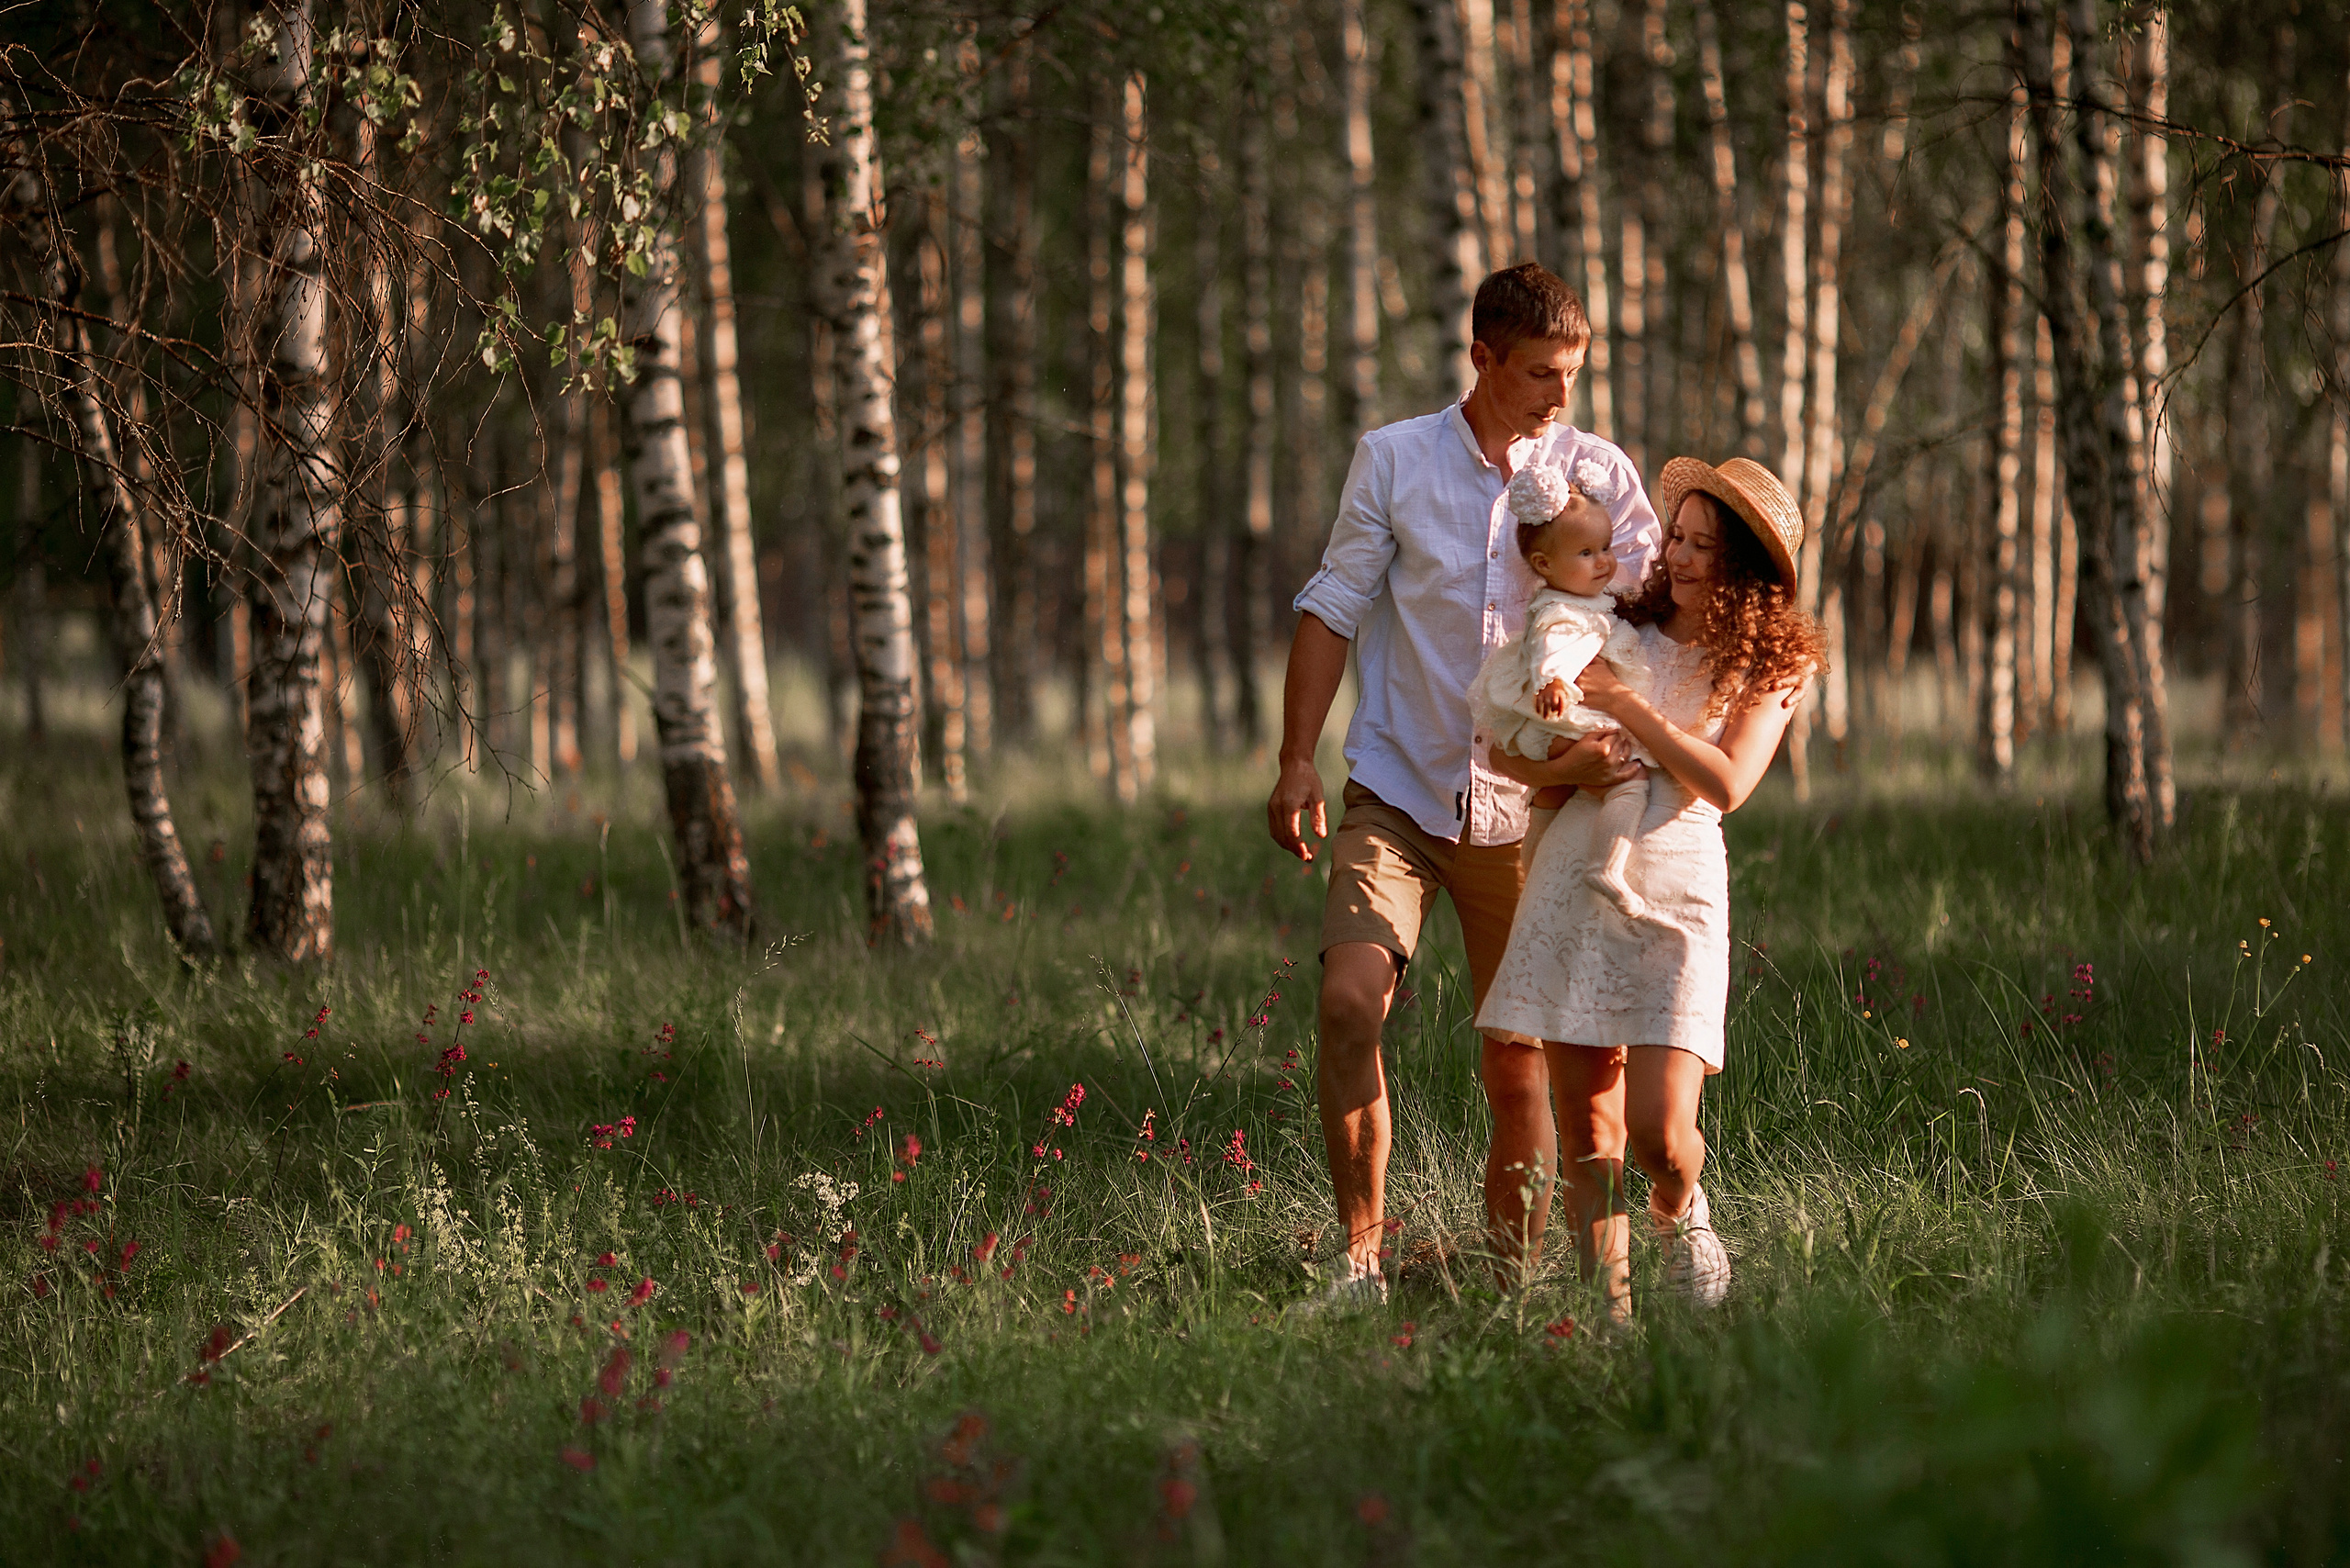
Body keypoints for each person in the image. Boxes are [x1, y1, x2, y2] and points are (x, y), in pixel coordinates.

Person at [1269, 263, 1661, 1303]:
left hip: (1535, 811)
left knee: (1518, 1068)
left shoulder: (1599, 476)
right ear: (1481, 357)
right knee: (1351, 1002)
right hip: (1398, 791)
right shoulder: (1393, 461)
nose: (1559, 397)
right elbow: (1333, 606)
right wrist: (1296, 756)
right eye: (1539, 372)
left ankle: (1510, 1288)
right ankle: (1360, 1258)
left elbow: (1654, 621)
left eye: (1571, 373)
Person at [1476, 455, 1826, 1316]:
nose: (1679, 556)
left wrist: (1630, 713)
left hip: (1678, 886)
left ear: (1745, 567)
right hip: (1573, 876)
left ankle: (1684, 1211)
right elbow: (1506, 752)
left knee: (1661, 1136)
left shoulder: (1772, 665)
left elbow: (1728, 783)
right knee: (1591, 1133)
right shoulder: (1606, 623)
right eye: (1677, 536)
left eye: (1706, 545)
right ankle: (1608, 1327)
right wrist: (1571, 761)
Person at [1468, 461, 1658, 924]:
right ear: (1544, 565)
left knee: (1547, 801)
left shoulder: (1577, 599)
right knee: (1630, 780)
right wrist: (1553, 681)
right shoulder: (1561, 610)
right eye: (1588, 553)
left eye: (1607, 548)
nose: (1605, 561)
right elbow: (1548, 648)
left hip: (1553, 725)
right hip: (1569, 717)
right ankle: (1608, 867)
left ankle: (1534, 878)